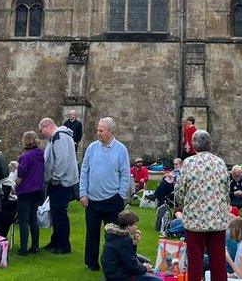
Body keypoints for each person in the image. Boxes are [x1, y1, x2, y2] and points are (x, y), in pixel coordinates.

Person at [175, 130, 230, 281]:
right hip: (217, 219)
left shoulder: (188, 163)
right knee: (218, 259)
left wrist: (183, 204)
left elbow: (180, 190)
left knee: (195, 260)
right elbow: (226, 190)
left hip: (195, 220)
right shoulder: (220, 162)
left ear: (194, 145)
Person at [79, 117, 130, 272]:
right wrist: (83, 193)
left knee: (114, 235)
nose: (98, 133)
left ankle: (113, 264)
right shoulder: (91, 148)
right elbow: (85, 170)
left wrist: (120, 195)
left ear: (110, 131)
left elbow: (125, 174)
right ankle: (91, 264)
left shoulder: (121, 149)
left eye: (101, 130)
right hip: (92, 200)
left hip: (112, 200)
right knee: (92, 234)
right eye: (98, 130)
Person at [39, 117, 79, 255]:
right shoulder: (59, 137)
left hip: (61, 183)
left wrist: (56, 177)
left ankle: (63, 245)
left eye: (41, 130)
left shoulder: (59, 137)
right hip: (61, 181)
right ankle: (56, 241)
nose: (42, 133)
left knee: (60, 214)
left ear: (46, 126)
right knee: (56, 213)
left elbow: (61, 159)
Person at [101, 210, 159, 281]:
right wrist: (145, 268)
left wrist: (134, 244)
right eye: (135, 224)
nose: (136, 227)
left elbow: (129, 256)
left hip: (112, 271)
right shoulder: (124, 240)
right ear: (128, 226)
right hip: (119, 275)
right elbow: (132, 266)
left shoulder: (114, 235)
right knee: (157, 279)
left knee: (146, 261)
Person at [15, 130, 44, 255]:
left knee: (23, 220)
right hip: (38, 189)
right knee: (33, 218)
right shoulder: (41, 154)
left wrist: (14, 185)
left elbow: (21, 174)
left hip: (26, 191)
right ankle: (35, 246)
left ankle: (23, 248)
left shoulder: (25, 156)